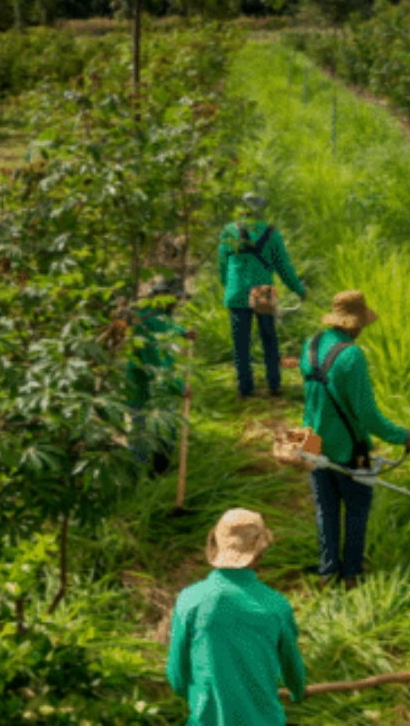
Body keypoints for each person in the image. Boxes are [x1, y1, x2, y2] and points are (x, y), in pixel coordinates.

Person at [300, 290, 410, 590]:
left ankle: (327, 572)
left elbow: (312, 399)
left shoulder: (311, 345)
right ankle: (351, 575)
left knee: (325, 510)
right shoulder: (352, 355)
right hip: (350, 450)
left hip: (313, 444)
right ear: (354, 323)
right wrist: (403, 435)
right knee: (356, 511)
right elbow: (367, 415)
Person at [167, 508, 306, 726]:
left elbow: (177, 676)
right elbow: (293, 671)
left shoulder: (190, 600)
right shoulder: (276, 605)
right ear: (260, 551)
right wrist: (297, 693)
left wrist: (203, 699)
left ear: (216, 544)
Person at [218, 193, 306, 399]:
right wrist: (300, 290)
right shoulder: (271, 234)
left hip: (237, 294)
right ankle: (274, 384)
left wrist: (228, 286)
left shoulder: (228, 232)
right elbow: (284, 267)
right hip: (263, 295)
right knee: (269, 338)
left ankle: (245, 388)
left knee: (241, 342)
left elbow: (222, 266)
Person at [126, 276, 195, 475]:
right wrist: (179, 386)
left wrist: (183, 332)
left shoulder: (161, 314)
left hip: (162, 390)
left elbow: (168, 330)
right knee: (142, 438)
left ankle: (159, 477)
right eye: (175, 298)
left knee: (166, 432)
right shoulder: (145, 320)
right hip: (144, 388)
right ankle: (137, 481)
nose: (177, 302)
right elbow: (154, 363)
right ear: (161, 295)